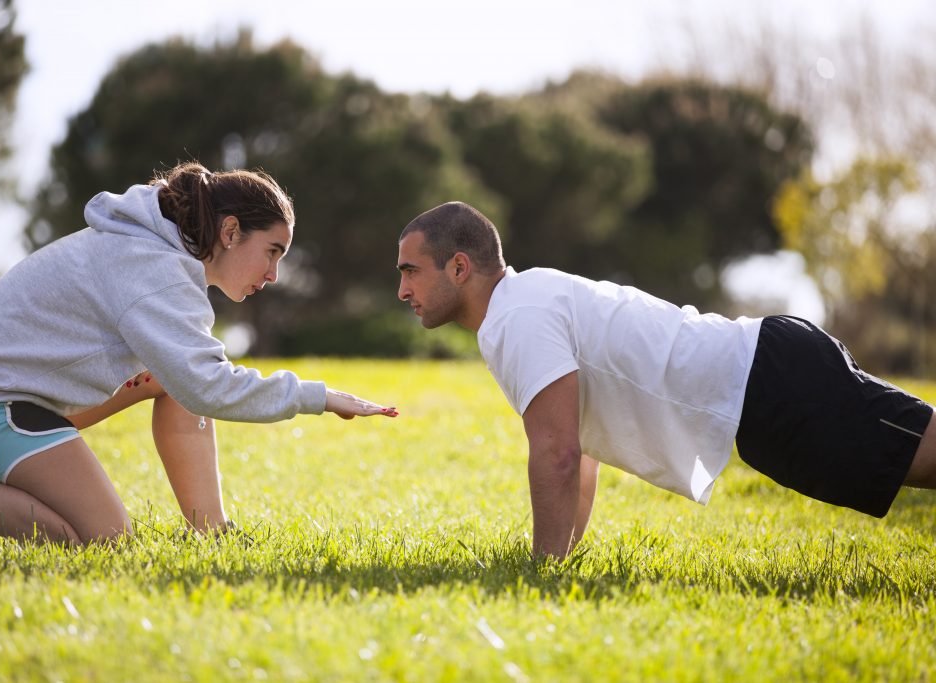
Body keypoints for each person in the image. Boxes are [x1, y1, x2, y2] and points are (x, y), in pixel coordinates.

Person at [395, 201, 936, 560]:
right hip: (760, 385)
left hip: (767, 379)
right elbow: (579, 452)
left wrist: (538, 569)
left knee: (916, 456)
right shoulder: (523, 305)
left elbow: (556, 452)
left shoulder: (519, 317)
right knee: (907, 459)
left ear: (460, 268)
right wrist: (556, 565)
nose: (402, 291)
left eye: (410, 271)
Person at [0, 161, 396, 550]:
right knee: (102, 540)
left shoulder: (159, 259)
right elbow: (210, 386)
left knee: (176, 375)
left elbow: (192, 379)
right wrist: (320, 397)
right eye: (272, 251)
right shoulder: (154, 270)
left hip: (32, 392)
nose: (272, 274)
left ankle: (211, 530)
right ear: (230, 232)